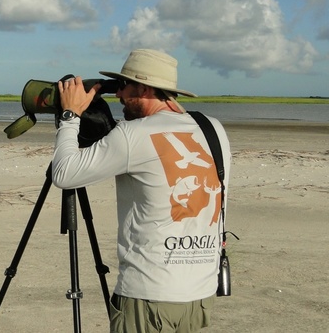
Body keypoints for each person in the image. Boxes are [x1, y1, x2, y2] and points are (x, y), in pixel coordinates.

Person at [52, 49, 231, 333]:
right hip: (200, 294)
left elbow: (64, 173)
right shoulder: (212, 129)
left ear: (145, 87)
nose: (118, 95)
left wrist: (70, 115)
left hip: (149, 295)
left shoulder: (132, 135)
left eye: (123, 86)